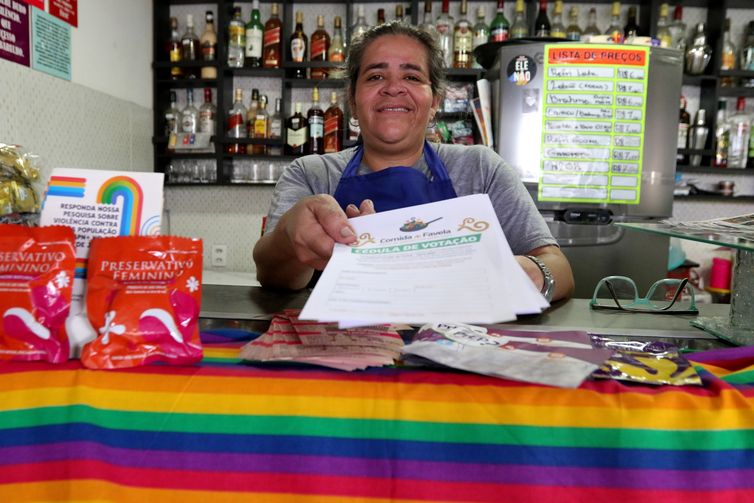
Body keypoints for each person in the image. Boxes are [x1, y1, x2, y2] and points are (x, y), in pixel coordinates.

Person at [253, 22, 574, 301]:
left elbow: (558, 267)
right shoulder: (312, 174)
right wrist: (289, 238)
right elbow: (272, 275)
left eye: (411, 75)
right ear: (352, 98)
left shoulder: (482, 169)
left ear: (435, 99)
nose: (393, 88)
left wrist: (531, 273)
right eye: (376, 76)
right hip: (341, 352)